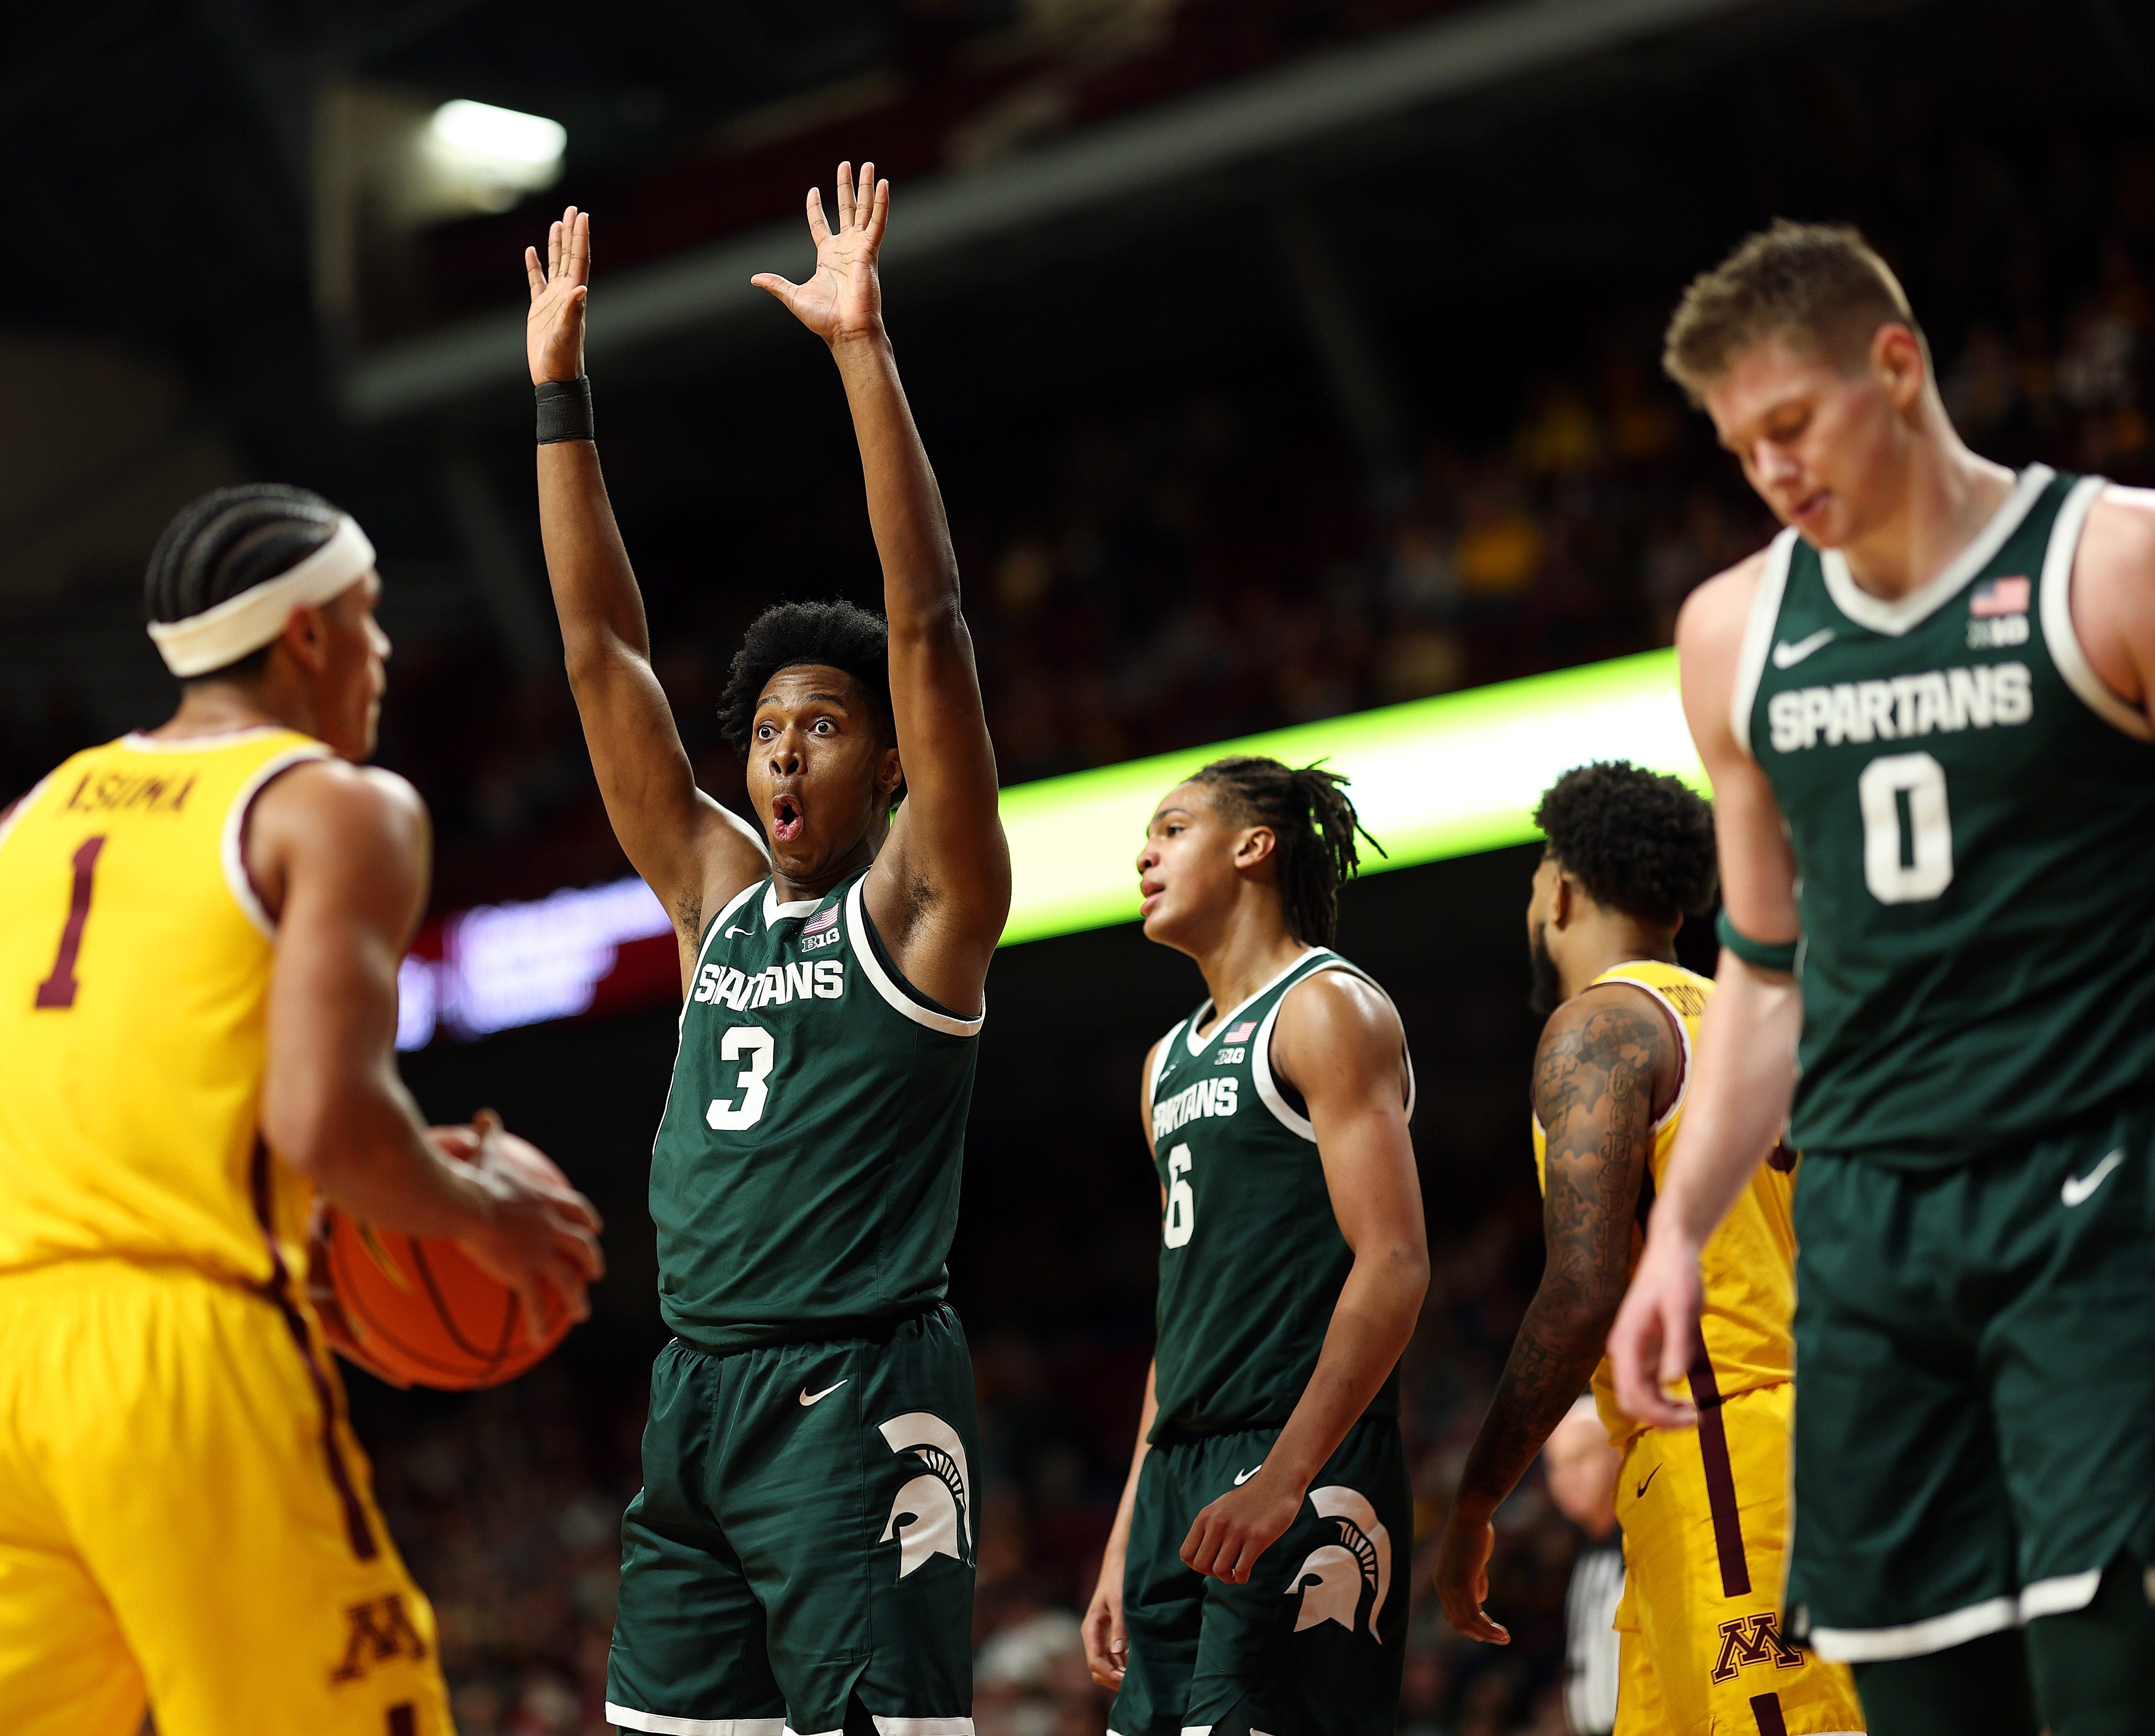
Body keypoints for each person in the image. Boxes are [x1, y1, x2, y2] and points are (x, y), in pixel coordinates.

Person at [0, 485, 606, 1736]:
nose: (383, 651)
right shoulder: (336, 807)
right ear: (305, 632)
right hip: (175, 1361)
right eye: (368, 618)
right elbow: (326, 1121)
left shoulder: (22, 822)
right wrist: (481, 1216)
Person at [1606, 220, 2155, 1733]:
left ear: (1896, 368)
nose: (1771, 470)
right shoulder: (1733, 634)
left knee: (2101, 1658)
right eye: (1741, 448)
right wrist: (1679, 1235)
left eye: (1792, 424)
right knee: (1913, 1683)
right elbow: (1767, 977)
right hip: (1868, 1222)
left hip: (2090, 1189)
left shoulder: (2114, 562)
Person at [523, 164, 1012, 1736]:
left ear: (889, 767)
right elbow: (602, 654)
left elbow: (926, 619)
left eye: (828, 726)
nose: (788, 754)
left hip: (852, 1400)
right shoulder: (713, 897)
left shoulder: (931, 909)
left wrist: (861, 352)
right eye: (770, 730)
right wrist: (556, 394)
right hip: (694, 1398)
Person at [1433, 760, 1860, 1736]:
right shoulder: (1762, 1024)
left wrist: (1473, 1501)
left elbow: (1583, 1290)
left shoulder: (1602, 1026)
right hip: (1778, 1445)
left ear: (1560, 888)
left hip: (1723, 1447)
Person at [1082, 759, 1425, 1736]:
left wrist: (1282, 1475)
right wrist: (1121, 1542)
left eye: (1172, 827)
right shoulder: (1165, 1060)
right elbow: (1179, 1321)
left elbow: (1396, 1261)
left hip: (1301, 1451)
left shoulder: (1326, 1007)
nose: (1143, 852)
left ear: (1253, 845)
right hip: (1181, 1472)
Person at [1545, 1399, 1626, 1736]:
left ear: (1618, 1454)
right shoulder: (1586, 1551)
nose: (1566, 1478)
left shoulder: (1644, 1545)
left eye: (1581, 1458)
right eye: (1555, 1465)